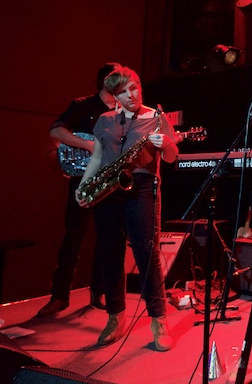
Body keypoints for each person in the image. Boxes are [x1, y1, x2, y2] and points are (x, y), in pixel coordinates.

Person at [76, 66, 179, 351]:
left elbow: (171, 157)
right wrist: (84, 187)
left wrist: (167, 142)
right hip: (108, 190)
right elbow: (97, 158)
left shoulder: (156, 118)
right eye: (123, 91)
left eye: (134, 87)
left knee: (147, 255)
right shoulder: (106, 120)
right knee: (110, 254)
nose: (131, 94)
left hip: (143, 188)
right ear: (114, 96)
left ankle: (159, 319)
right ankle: (115, 317)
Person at [36, 62, 120, 318]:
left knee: (107, 239)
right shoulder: (83, 105)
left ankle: (99, 292)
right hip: (83, 179)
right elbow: (56, 129)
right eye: (117, 76)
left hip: (110, 181)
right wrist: (87, 144)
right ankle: (60, 296)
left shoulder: (124, 110)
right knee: (73, 237)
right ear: (105, 80)